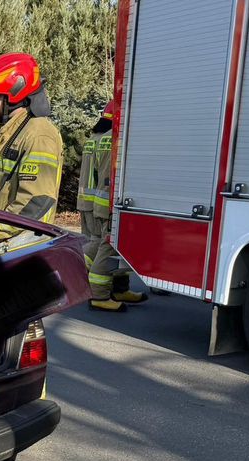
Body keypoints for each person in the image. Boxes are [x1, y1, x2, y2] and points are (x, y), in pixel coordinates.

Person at [0, 52, 64, 256]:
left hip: (16, 248)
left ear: (16, 91)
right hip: (3, 245)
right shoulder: (15, 132)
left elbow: (37, 199)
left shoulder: (39, 134)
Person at [80, 101, 148, 311]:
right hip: (108, 203)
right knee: (107, 247)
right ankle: (98, 294)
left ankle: (119, 288)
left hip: (93, 199)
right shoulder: (115, 139)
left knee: (114, 247)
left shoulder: (97, 139)